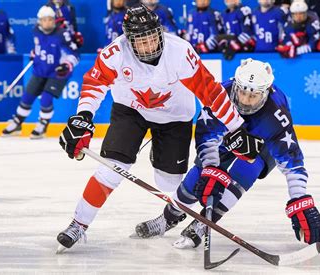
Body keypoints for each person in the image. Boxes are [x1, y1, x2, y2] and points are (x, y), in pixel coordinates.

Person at [56, 4, 262, 251]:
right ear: (129, 40)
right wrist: (83, 117)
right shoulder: (115, 52)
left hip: (174, 118)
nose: (149, 46)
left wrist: (237, 128)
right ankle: (79, 224)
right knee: (111, 169)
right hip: (130, 111)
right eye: (141, 41)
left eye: (153, 38)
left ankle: (168, 218)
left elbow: (212, 93)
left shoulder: (180, 52)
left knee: (169, 185)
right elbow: (95, 83)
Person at [134, 58, 320, 249]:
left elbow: (292, 162)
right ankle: (167, 218)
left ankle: (202, 224)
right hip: (227, 138)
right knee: (197, 179)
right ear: (235, 84)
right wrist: (211, 168)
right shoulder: (219, 94)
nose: (246, 101)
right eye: (242, 93)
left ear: (265, 92)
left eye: (254, 96)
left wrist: (300, 198)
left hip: (260, 146)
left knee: (245, 172)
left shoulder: (276, 114)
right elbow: (207, 135)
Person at [2, 6, 78, 139]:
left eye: (50, 19)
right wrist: (34, 53)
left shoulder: (62, 34)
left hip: (57, 72)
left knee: (46, 98)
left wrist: (67, 64)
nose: (48, 22)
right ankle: (18, 122)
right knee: (27, 96)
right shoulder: (36, 31)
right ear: (39, 21)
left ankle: (43, 124)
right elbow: (39, 47)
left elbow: (74, 54)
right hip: (40, 69)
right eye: (44, 20)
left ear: (54, 20)